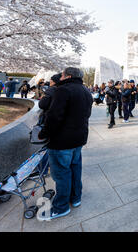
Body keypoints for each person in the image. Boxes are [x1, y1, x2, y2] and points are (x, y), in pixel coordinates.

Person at [37, 67, 93, 221]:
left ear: (67, 76)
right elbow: (87, 114)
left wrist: (44, 133)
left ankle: (61, 206)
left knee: (61, 174)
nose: (60, 78)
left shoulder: (63, 90)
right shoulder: (86, 90)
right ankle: (75, 198)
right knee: (75, 168)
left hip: (62, 140)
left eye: (61, 75)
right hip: (78, 138)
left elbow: (54, 116)